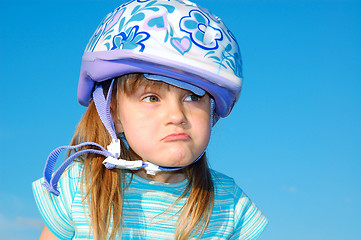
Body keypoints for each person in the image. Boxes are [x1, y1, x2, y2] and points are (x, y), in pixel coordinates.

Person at [32, 0, 268, 239]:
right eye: (152, 98)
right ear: (114, 114)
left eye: (193, 96)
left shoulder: (230, 205)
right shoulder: (78, 187)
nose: (176, 115)